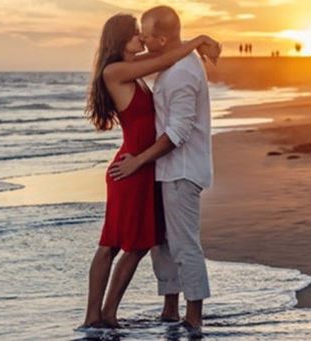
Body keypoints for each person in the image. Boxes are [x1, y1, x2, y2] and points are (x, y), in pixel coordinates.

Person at [81, 12, 220, 329]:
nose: (141, 39)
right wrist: (197, 40)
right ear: (121, 41)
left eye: (142, 34)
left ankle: (106, 315)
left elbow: (164, 52)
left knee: (136, 243)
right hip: (132, 167)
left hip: (144, 167)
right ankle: (97, 316)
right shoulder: (117, 71)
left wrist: (190, 43)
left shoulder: (134, 70)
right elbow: (164, 54)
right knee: (115, 244)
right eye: (135, 35)